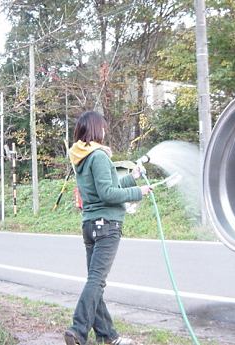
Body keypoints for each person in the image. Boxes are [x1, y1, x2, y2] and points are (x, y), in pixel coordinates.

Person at [64, 111, 151, 345]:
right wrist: (138, 193)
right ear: (95, 129)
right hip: (107, 226)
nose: (104, 131)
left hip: (90, 224)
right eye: (102, 127)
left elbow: (106, 187)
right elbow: (109, 194)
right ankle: (78, 329)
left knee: (95, 281)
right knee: (97, 282)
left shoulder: (82, 157)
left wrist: (132, 178)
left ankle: (108, 336)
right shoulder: (99, 156)